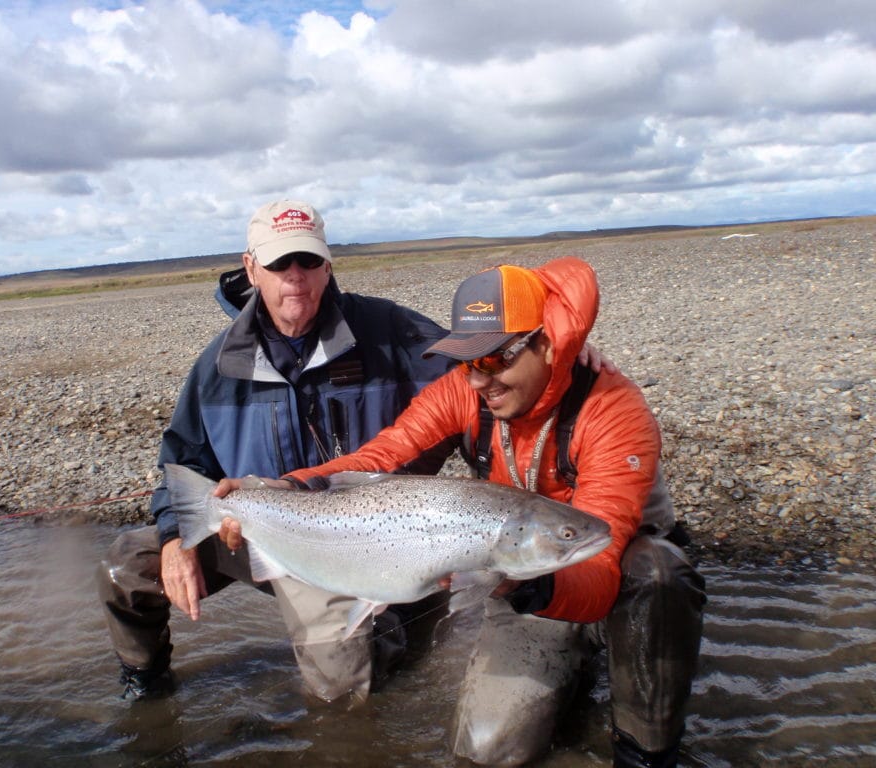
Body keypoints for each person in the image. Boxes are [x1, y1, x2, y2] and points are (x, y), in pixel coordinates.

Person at [218, 257, 706, 767]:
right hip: (528, 573)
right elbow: (385, 455)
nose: (478, 381)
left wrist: (532, 582)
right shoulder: (465, 389)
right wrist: (285, 487)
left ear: (546, 344)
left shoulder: (612, 410)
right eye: (468, 361)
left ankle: (645, 751)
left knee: (658, 573)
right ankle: (572, 672)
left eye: (495, 359)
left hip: (609, 575)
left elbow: (601, 568)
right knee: (487, 752)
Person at [96, 199, 458, 703]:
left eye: (308, 261)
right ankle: (146, 687)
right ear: (251, 267)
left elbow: (485, 370)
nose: (296, 276)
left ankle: (394, 626)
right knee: (125, 565)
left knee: (344, 689)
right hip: (252, 532)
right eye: (279, 263)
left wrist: (567, 347)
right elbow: (181, 465)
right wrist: (177, 539)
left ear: (327, 265)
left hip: (362, 542)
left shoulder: (389, 334)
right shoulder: (218, 366)